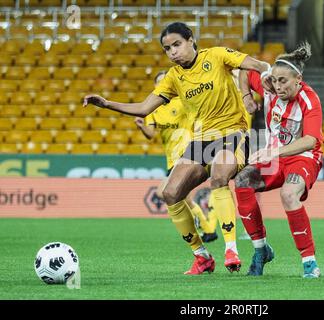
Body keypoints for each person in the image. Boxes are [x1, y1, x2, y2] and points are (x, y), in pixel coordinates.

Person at [83, 22, 273, 275]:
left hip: (231, 132)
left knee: (219, 177)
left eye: (176, 44)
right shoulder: (173, 77)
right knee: (170, 193)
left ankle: (231, 249)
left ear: (191, 40)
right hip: (200, 140)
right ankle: (201, 256)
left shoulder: (216, 55)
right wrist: (106, 104)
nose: (172, 52)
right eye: (167, 49)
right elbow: (143, 108)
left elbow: (256, 66)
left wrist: (252, 92)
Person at [235, 41, 324, 278]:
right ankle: (260, 250)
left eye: (283, 81)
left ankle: (309, 262)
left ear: (298, 79)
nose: (277, 86)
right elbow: (244, 68)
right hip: (274, 157)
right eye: (274, 80)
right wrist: (246, 97)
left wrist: (274, 152)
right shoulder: (269, 88)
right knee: (242, 180)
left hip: (302, 157)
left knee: (288, 194)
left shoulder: (310, 99)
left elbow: (310, 141)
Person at [135, 70, 218, 242]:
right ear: (155, 86)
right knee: (180, 196)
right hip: (171, 157)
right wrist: (141, 126)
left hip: (185, 152)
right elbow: (150, 134)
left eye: (164, 81)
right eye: (158, 82)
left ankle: (205, 229)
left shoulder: (181, 101)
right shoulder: (153, 110)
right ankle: (207, 228)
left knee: (168, 192)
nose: (161, 84)